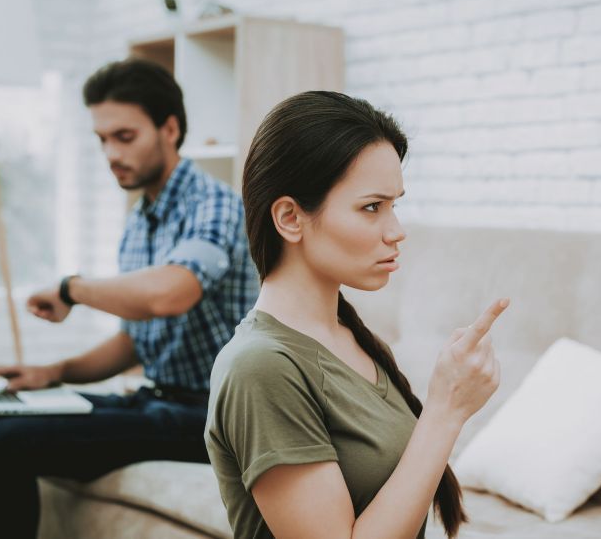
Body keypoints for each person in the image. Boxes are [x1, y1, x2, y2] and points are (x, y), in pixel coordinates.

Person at [0, 58, 259, 539]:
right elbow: (137, 343)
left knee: (5, 443)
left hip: (211, 417)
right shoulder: (140, 220)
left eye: (124, 136)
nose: (110, 153)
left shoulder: (216, 205)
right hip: (155, 399)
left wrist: (71, 289)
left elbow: (170, 294)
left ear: (170, 128)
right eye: (102, 139)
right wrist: (53, 374)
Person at [205, 91, 509, 539]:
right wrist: (446, 410)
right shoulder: (261, 367)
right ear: (290, 218)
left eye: (395, 205)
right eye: (372, 207)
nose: (396, 231)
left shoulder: (351, 338)